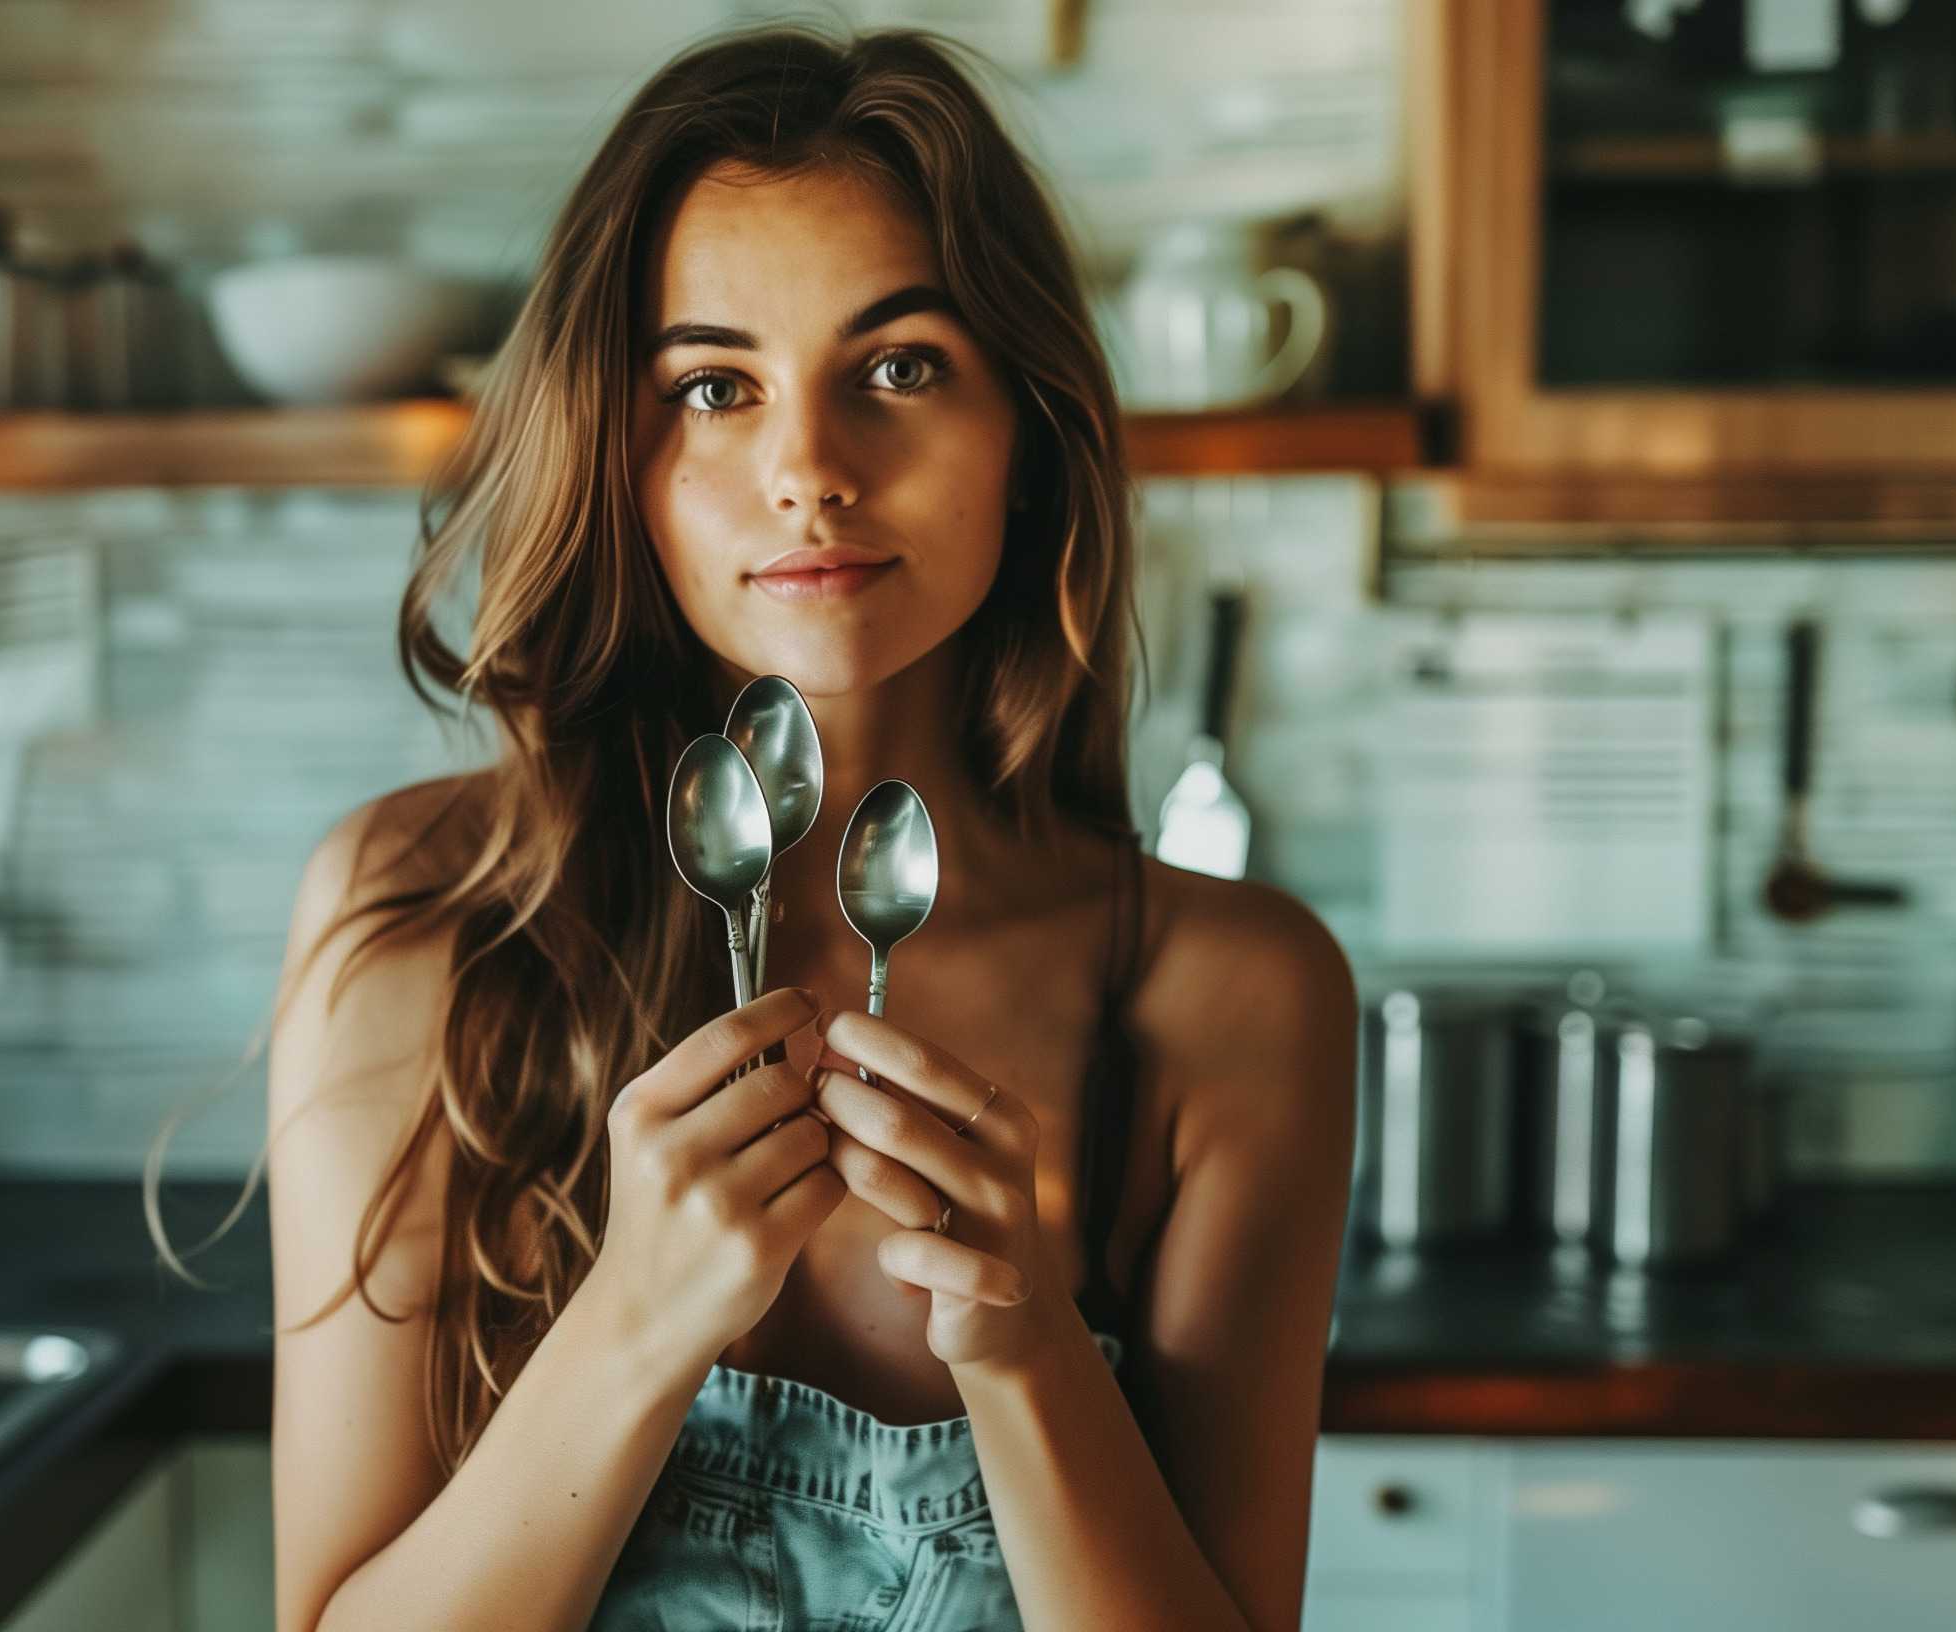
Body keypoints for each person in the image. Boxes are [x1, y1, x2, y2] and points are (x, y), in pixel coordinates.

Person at [210, 26, 1356, 1632]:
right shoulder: (418, 923)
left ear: (1024, 434)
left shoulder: (1230, 995)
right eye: (713, 387)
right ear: (625, 456)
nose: (809, 470)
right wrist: (636, 1320)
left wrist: (1026, 1355)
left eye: (899, 367)